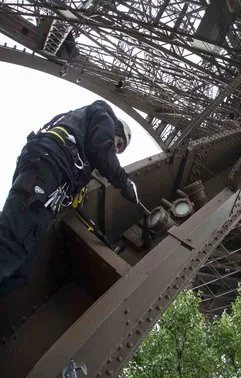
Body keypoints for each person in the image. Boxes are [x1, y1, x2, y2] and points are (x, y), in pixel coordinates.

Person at [0, 100, 141, 297]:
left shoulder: (83, 154)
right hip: (48, 169)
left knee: (21, 272)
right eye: (117, 144)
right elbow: (102, 149)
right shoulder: (103, 115)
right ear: (114, 128)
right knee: (10, 246)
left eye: (118, 149)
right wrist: (125, 183)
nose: (115, 150)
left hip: (48, 188)